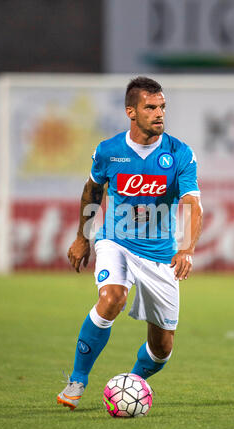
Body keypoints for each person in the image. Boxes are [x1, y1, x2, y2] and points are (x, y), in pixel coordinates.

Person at [57, 76, 203, 410]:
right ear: (131, 112)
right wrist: (83, 236)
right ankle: (77, 381)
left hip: (160, 254)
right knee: (112, 298)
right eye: (150, 107)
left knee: (162, 348)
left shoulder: (179, 153)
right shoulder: (109, 151)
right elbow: (93, 190)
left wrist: (188, 248)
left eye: (162, 106)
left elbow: (194, 204)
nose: (159, 113)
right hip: (116, 241)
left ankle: (131, 384)